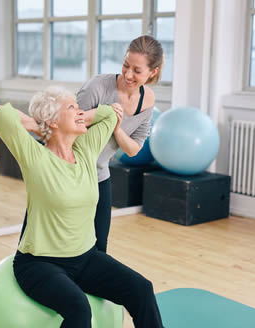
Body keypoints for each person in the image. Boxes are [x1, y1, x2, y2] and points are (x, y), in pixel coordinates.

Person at [0, 86, 163, 328]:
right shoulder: (35, 157)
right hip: (40, 264)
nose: (81, 111)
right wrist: (36, 123)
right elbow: (0, 114)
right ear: (52, 121)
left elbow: (110, 114)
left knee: (142, 289)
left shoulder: (85, 151)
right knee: (79, 308)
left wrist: (80, 115)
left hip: (85, 258)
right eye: (72, 107)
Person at [77, 35, 164, 253]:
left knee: (99, 246)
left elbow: (133, 149)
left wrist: (115, 127)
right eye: (125, 65)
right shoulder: (98, 86)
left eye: (137, 70)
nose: (127, 74)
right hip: (70, 173)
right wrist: (103, 115)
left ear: (153, 72)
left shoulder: (147, 100)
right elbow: (67, 124)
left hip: (99, 174)